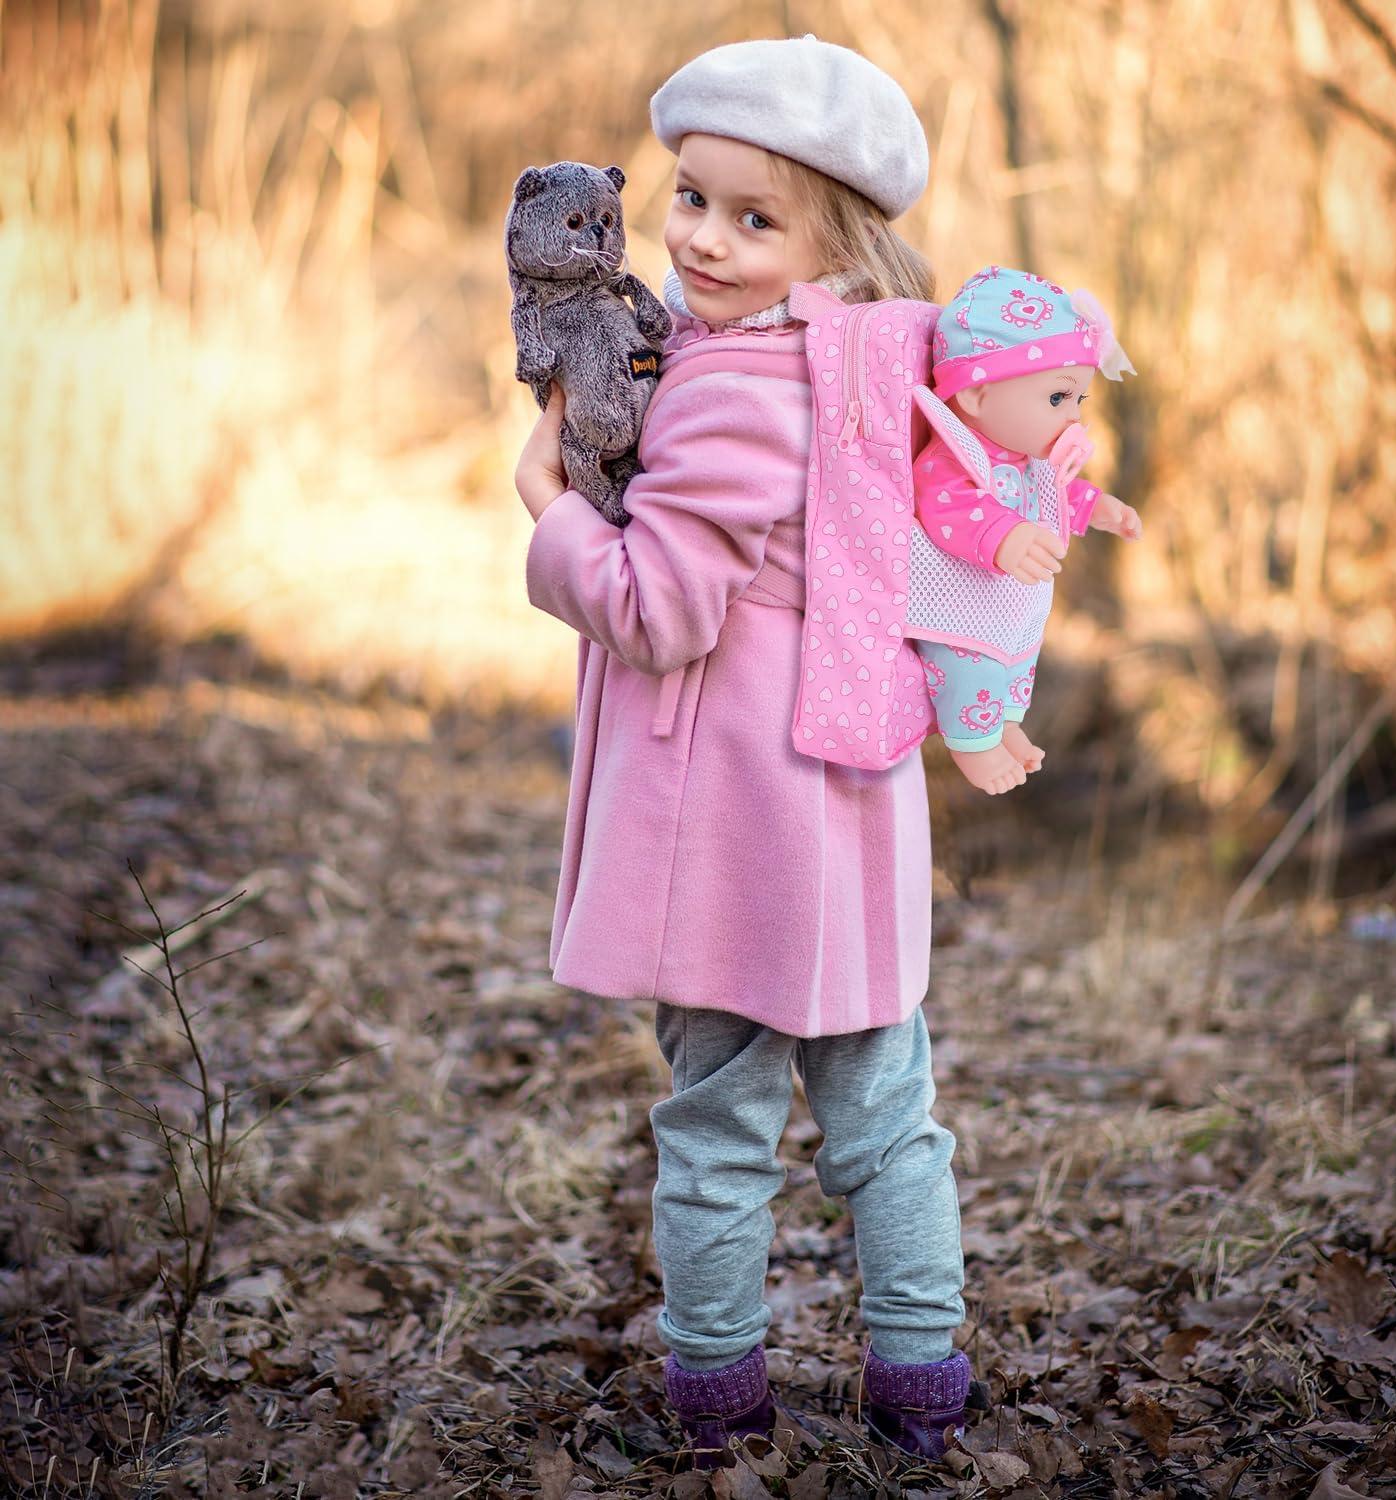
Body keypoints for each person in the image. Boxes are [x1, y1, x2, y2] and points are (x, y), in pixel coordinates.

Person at [514, 37, 972, 1469]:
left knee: (715, 1125)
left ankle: (716, 1405)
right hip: (847, 811)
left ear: (831, 236)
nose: (704, 237)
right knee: (887, 1121)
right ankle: (921, 1388)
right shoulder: (851, 364)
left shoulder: (729, 388)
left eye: (754, 217)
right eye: (692, 197)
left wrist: (550, 509)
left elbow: (660, 608)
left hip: (732, 828)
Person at [907, 268, 1143, 796]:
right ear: (977, 396)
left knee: (1016, 662)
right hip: (959, 605)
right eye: (1058, 398)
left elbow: (1055, 496)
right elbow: (946, 506)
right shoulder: (955, 455)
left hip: (1008, 608)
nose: (1073, 418)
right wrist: (1004, 535)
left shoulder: (1028, 458)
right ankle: (972, 742)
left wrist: (1100, 508)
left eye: (1079, 400)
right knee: (969, 666)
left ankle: (1005, 722)